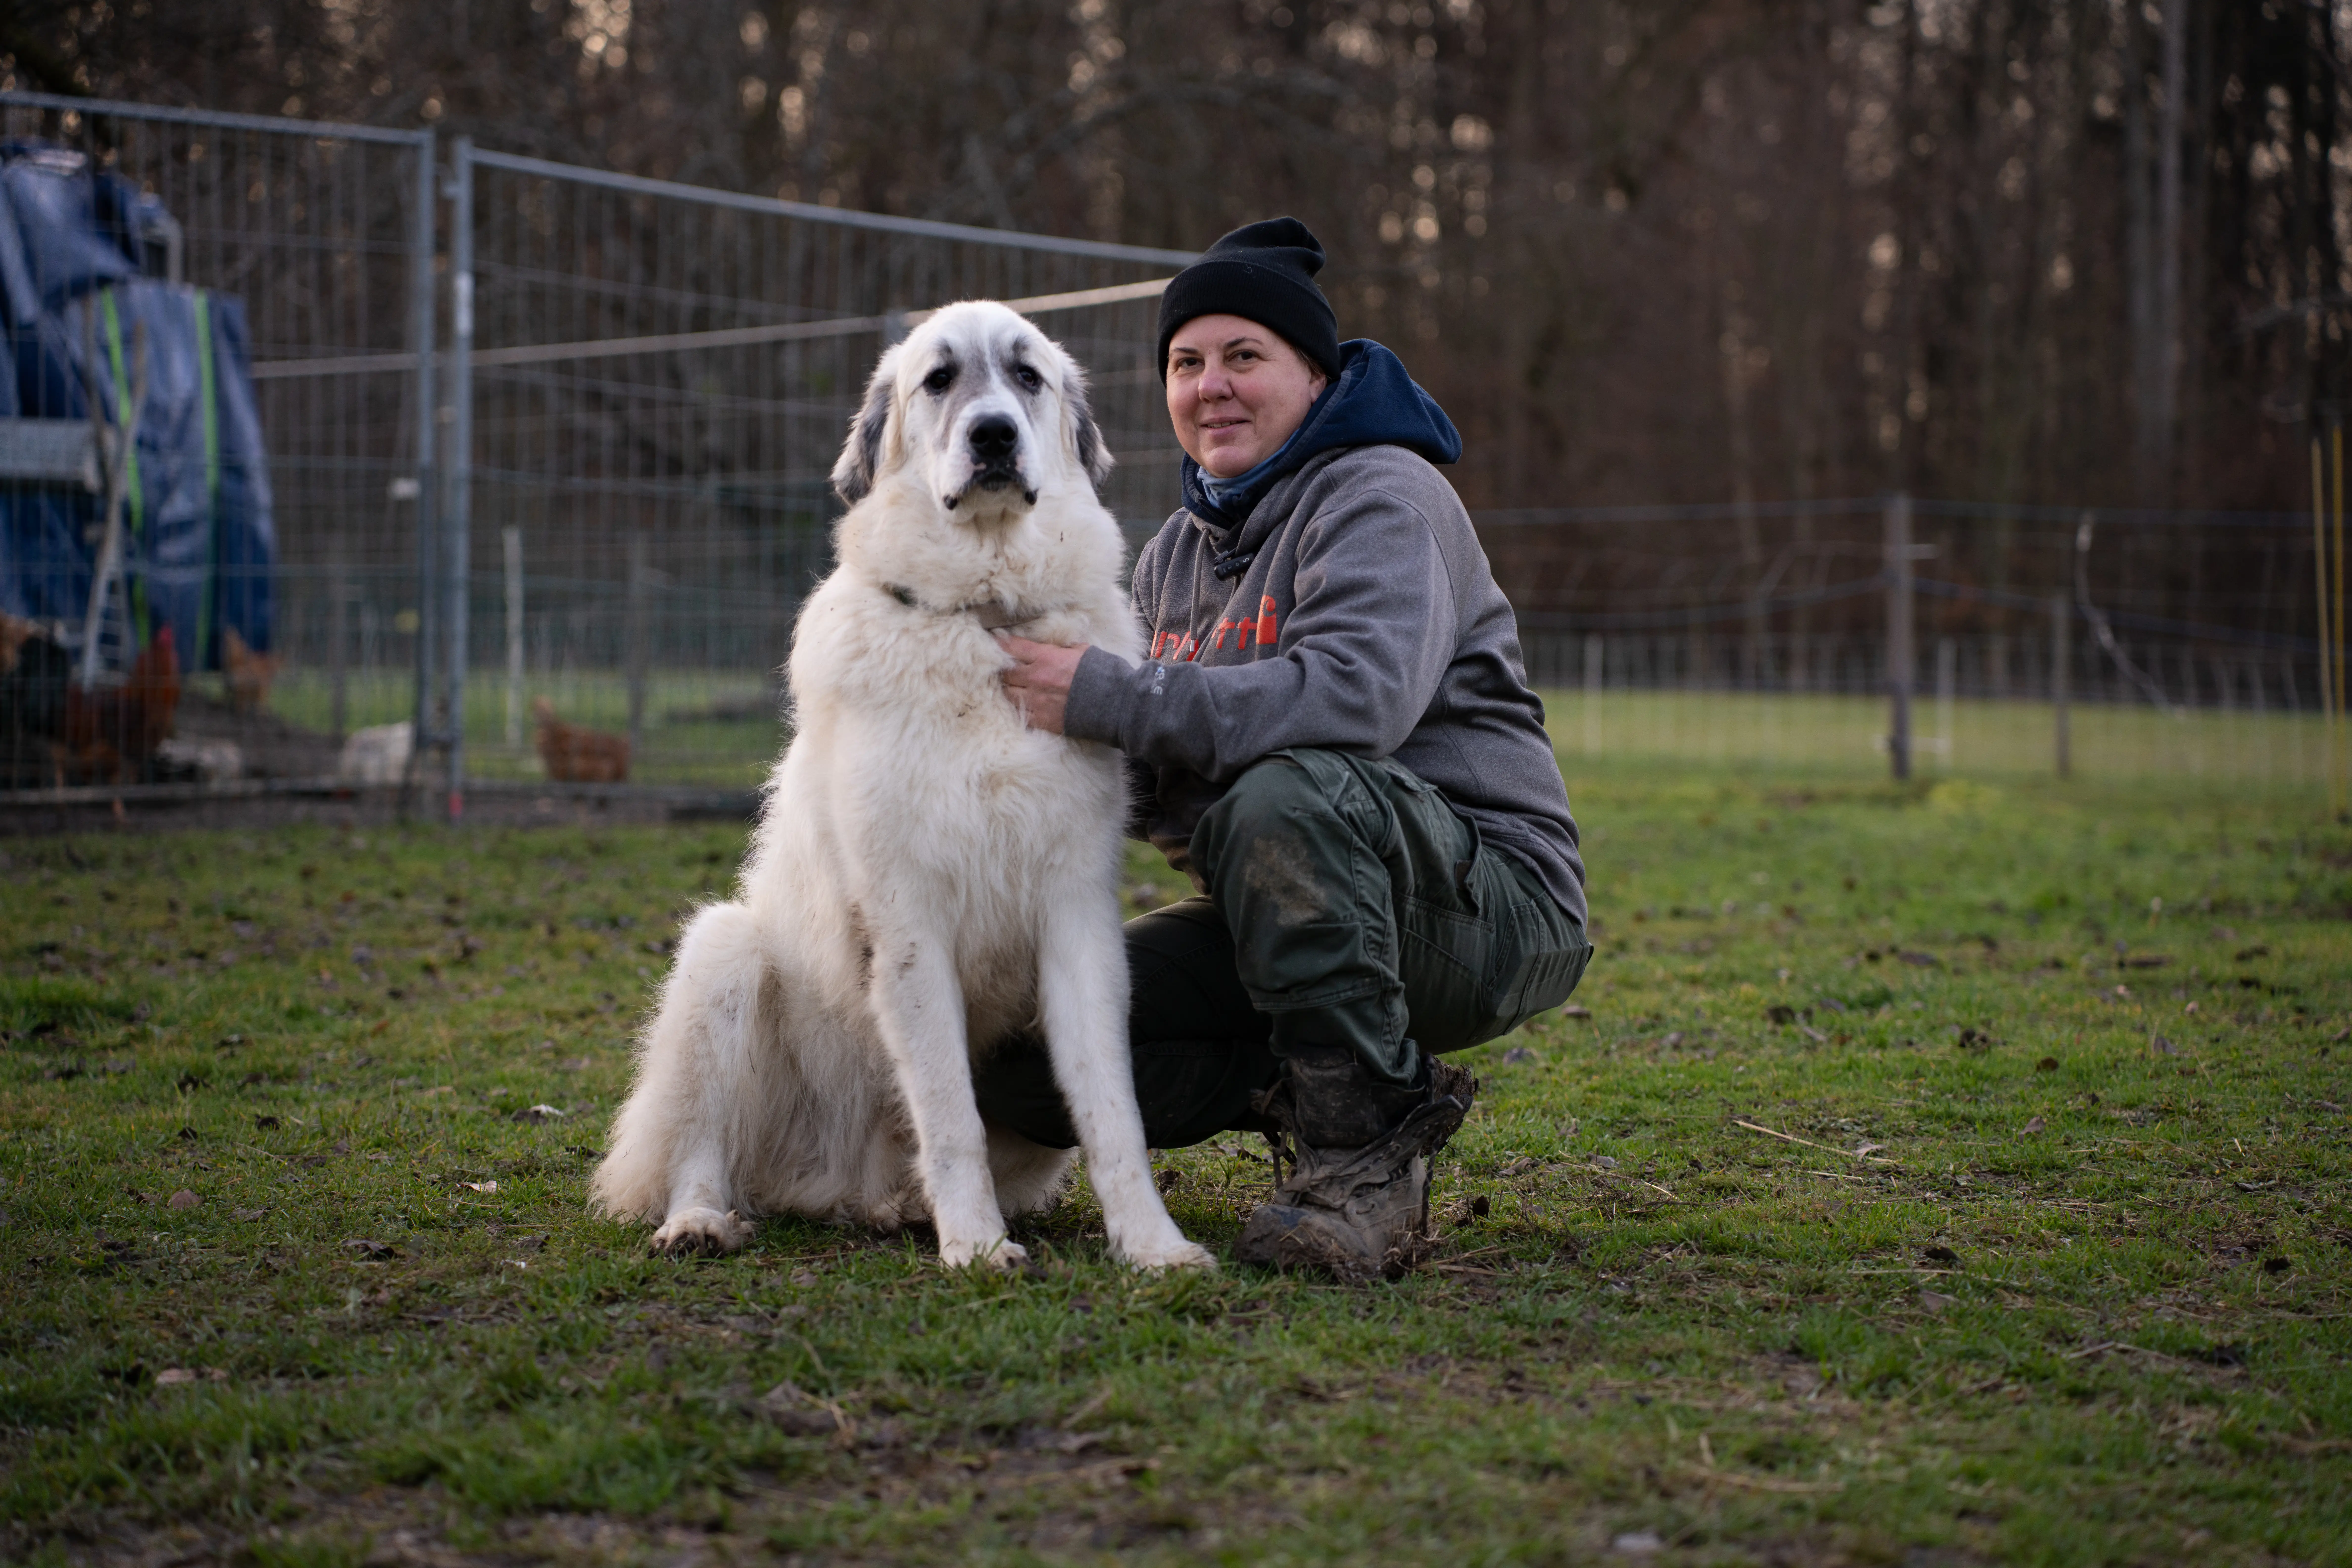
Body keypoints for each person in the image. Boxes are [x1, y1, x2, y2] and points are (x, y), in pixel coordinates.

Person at [980, 217, 1591, 1282]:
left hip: (1485, 907)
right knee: (1025, 1045)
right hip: (1289, 902)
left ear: (1314, 374)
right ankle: (1320, 1075)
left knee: (1286, 796)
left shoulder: (1386, 495)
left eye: (1244, 357)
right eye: (1186, 362)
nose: (1211, 385)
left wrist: (1113, 698)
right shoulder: (1175, 554)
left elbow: (1352, 705)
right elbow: (1141, 761)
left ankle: (1365, 1160)